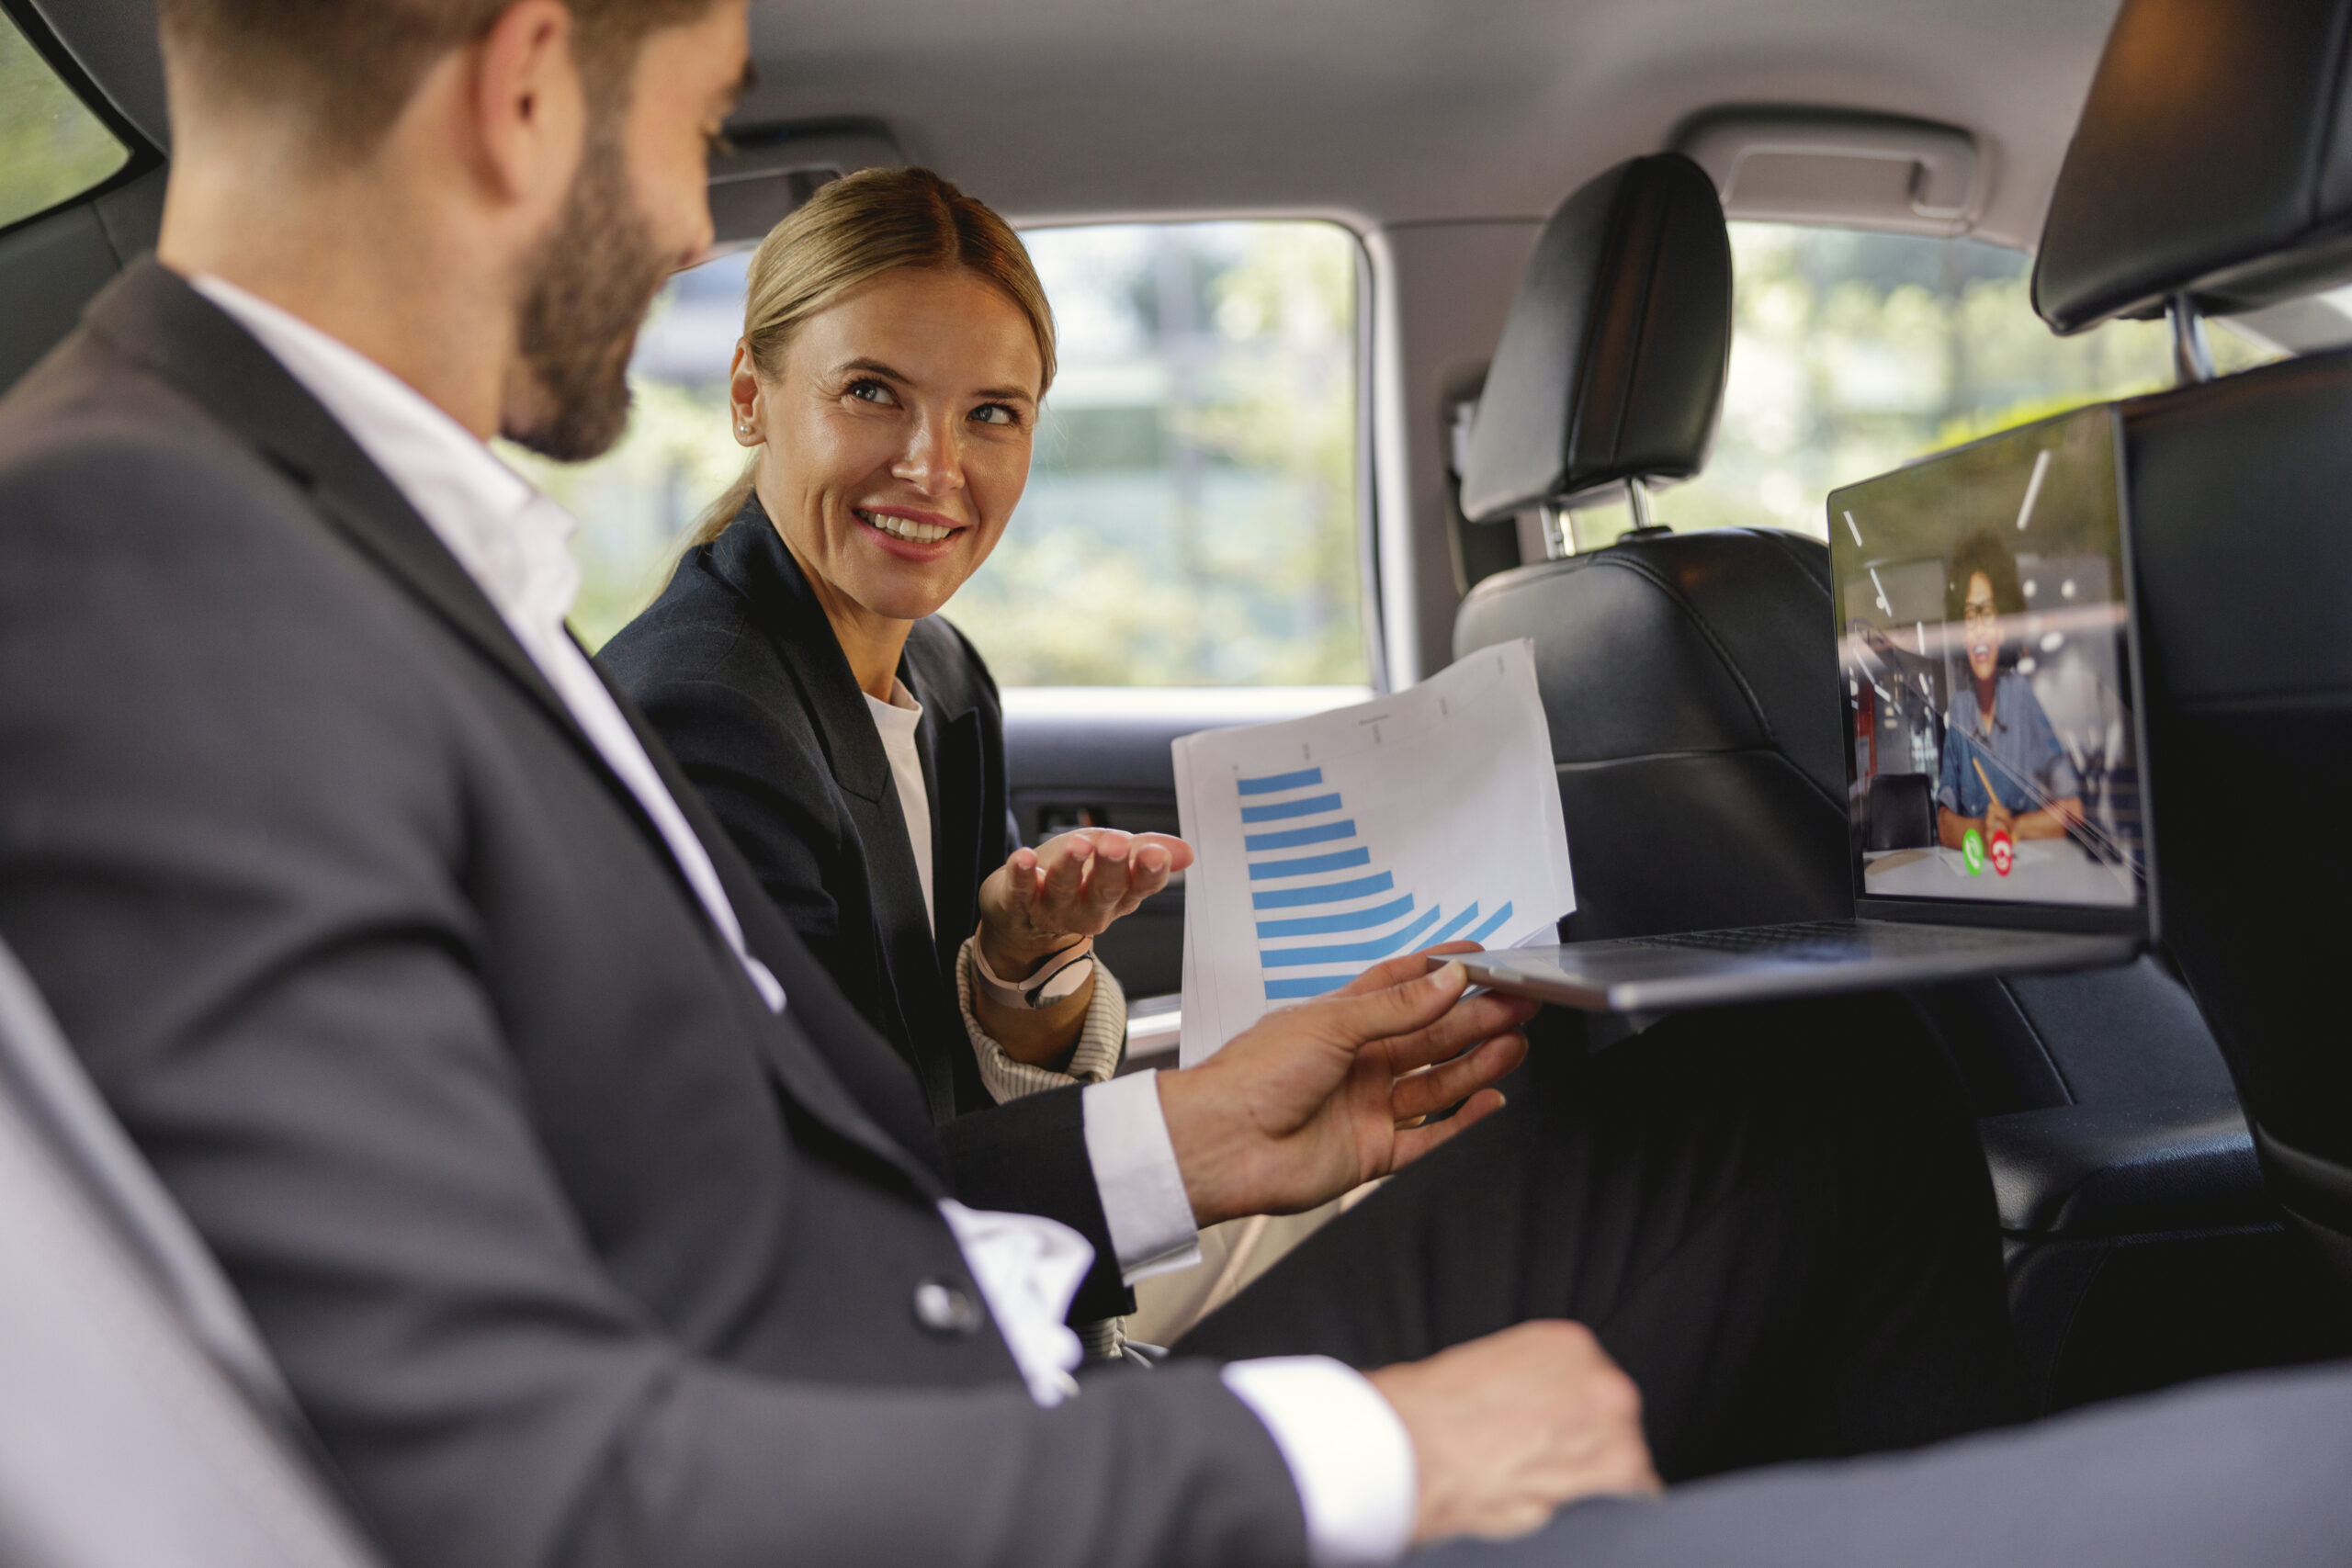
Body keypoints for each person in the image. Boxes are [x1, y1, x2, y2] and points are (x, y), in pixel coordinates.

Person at [4, 1, 2341, 1564]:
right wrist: (1370, 1440)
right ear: (529, 84)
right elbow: (520, 1466)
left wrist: (1196, 1120)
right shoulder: (157, 565)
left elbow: (705, 1150)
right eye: (700, 119)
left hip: (970, 1347)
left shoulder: (333, 545)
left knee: (1804, 1104)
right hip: (998, 1458)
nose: (698, 208)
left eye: (996, 410)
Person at [601, 167, 1174, 1124]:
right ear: (750, 397)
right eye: (872, 392)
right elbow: (825, 1166)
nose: (933, 469)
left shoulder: (943, 672)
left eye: (991, 413)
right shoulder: (704, 718)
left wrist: (1019, 957)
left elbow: (967, 1085)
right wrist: (1196, 1144)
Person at [1937, 528, 2086, 853]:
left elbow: (2073, 809)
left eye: (1988, 614)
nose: (1979, 631)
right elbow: (1945, 824)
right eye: (1969, 617)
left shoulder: (2022, 696)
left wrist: (2015, 827)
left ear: (2003, 626)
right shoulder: (1959, 710)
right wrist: (1980, 829)